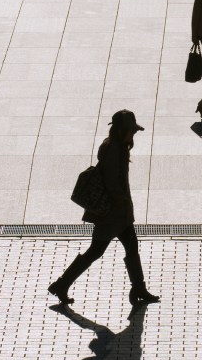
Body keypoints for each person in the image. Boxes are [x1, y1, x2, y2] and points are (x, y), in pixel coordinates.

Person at [49, 110, 159, 306]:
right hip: (112, 214)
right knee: (96, 251)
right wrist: (121, 202)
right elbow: (111, 181)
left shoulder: (118, 147)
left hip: (119, 213)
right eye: (130, 131)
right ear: (121, 130)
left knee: (131, 247)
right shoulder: (114, 150)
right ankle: (62, 284)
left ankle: (139, 288)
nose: (133, 135)